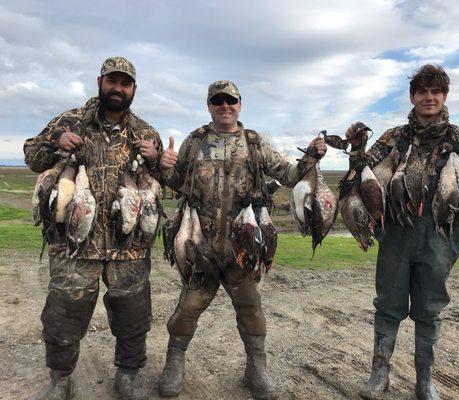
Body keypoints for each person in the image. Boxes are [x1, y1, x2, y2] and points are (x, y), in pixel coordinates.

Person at [157, 80, 326, 400]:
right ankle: (174, 362)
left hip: (243, 242)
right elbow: (176, 182)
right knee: (190, 306)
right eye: (217, 101)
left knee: (250, 306)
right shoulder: (195, 140)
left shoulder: (254, 141)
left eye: (230, 100)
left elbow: (289, 176)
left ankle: (256, 367)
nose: (225, 106)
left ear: (240, 104)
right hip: (200, 242)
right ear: (209, 106)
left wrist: (310, 158)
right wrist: (165, 166)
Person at [23, 57, 164, 400]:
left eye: (125, 83)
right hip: (74, 244)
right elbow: (31, 155)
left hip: (129, 246)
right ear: (100, 81)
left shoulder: (145, 132)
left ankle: (128, 376)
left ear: (134, 89)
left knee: (133, 317)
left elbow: (167, 183)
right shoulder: (70, 121)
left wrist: (160, 160)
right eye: (112, 81)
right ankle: (60, 381)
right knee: (63, 317)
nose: (118, 88)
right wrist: (57, 141)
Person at [353, 64, 459, 400]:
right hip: (397, 235)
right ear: (412, 96)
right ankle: (379, 376)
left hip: (440, 237)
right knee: (388, 304)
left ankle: (424, 382)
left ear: (444, 95)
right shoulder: (393, 137)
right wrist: (356, 147)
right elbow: (362, 172)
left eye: (435, 92)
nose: (428, 98)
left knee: (430, 309)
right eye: (422, 92)